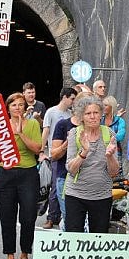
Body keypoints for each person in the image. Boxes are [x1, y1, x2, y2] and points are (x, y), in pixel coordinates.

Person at [0, 92, 42, 259]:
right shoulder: (0, 126)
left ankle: (25, 255)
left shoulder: (32, 125)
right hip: (5, 173)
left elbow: (37, 149)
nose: (17, 108)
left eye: (21, 105)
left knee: (28, 216)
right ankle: (9, 257)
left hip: (28, 173)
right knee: (6, 217)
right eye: (14, 105)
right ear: (8, 108)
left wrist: (20, 133)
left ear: (25, 107)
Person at [64, 95, 120, 232]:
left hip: (102, 195)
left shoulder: (109, 133)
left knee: (99, 238)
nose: (93, 116)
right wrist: (84, 151)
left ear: (101, 114)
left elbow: (114, 172)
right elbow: (70, 169)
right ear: (81, 116)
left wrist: (110, 156)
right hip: (76, 195)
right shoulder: (75, 134)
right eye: (88, 113)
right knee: (74, 237)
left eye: (96, 112)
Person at [42, 87, 76, 228]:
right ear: (64, 97)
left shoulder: (70, 114)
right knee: (55, 187)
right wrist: (41, 151)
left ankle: (61, 215)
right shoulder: (51, 112)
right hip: (55, 153)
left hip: (69, 155)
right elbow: (46, 131)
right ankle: (51, 217)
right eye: (72, 98)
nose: (73, 102)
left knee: (65, 187)